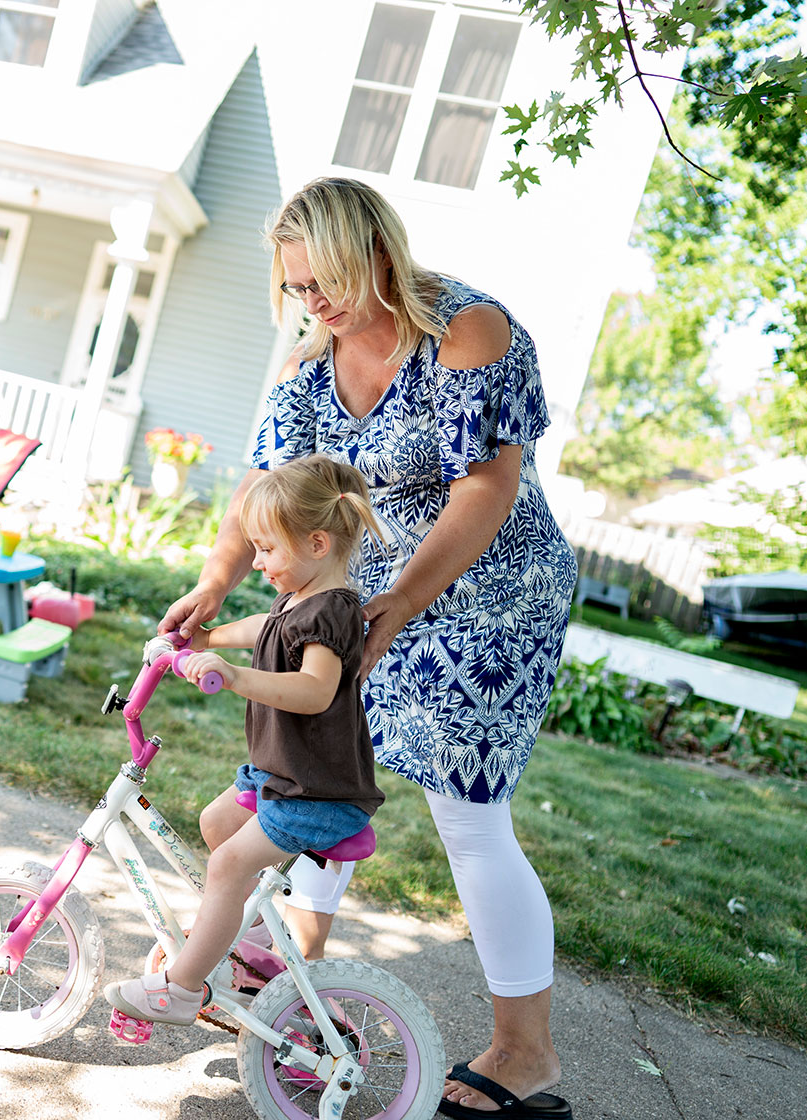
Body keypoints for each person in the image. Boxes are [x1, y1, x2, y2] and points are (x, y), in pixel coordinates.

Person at [159, 177, 577, 1120]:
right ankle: (299, 977)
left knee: (468, 816)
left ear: (377, 251)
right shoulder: (311, 367)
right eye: (299, 290)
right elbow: (265, 491)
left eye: (326, 282)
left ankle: (526, 1052)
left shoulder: (470, 332)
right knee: (316, 768)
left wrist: (392, 607)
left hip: (492, 600)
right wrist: (217, 584)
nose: (314, 304)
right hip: (367, 597)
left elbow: (484, 488)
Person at [105, 455, 387, 1030]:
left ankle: (181, 990)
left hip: (319, 793)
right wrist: (207, 636)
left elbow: (313, 691)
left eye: (266, 550)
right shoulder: (301, 598)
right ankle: (252, 935)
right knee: (217, 824)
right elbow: (264, 626)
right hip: (283, 777)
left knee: (228, 865)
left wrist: (232, 676)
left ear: (314, 543)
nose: (256, 562)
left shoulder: (333, 611)